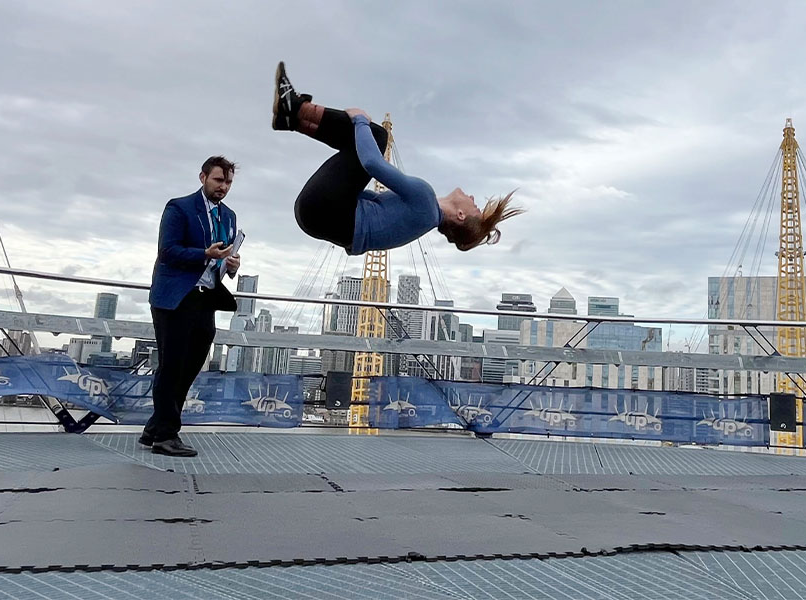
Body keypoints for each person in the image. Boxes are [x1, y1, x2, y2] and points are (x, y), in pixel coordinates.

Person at [271, 62, 523, 254]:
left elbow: (371, 163)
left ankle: (296, 110)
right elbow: (367, 203)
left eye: (475, 207)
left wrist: (359, 118)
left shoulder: (425, 199)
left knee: (377, 135)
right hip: (315, 217)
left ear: (460, 215)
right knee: (363, 141)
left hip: (325, 209)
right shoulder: (420, 221)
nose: (472, 198)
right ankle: (290, 117)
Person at [142, 156, 241, 457]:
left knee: (190, 367)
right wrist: (204, 253)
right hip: (175, 298)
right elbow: (168, 251)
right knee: (171, 366)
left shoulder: (230, 216)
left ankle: (155, 428)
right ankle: (166, 436)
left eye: (228, 183)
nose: (223, 187)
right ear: (203, 177)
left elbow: (221, 257)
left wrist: (231, 265)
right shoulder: (179, 207)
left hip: (205, 299)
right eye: (218, 180)